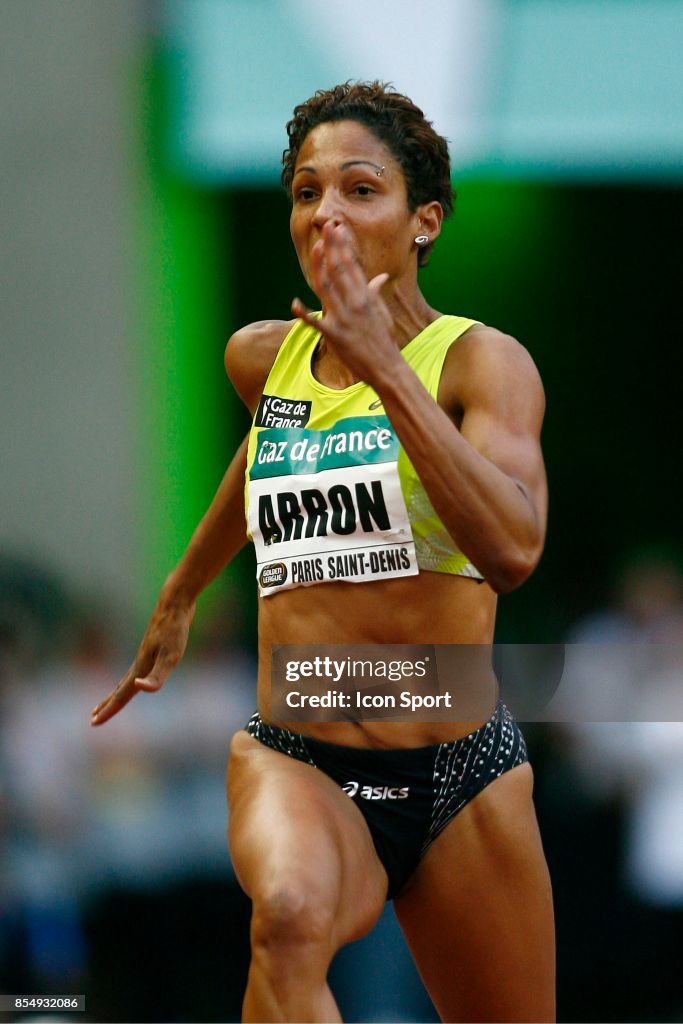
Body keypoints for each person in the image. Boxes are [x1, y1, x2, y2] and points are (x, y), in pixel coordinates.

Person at [91, 81, 555, 1023]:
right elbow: (267, 447)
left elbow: (513, 549)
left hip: (457, 763)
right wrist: (182, 591)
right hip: (300, 752)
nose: (326, 214)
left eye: (358, 188)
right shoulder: (263, 358)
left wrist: (386, 369)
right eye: (306, 192)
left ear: (422, 221)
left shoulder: (480, 364)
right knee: (291, 920)